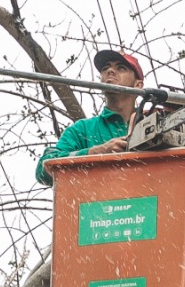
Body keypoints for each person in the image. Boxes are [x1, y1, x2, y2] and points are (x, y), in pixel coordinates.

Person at [35, 49, 144, 185]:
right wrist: (96, 152)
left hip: (150, 203)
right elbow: (43, 170)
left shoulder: (154, 124)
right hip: (97, 205)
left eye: (121, 68)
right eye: (105, 68)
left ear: (138, 85)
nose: (110, 71)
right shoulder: (82, 130)